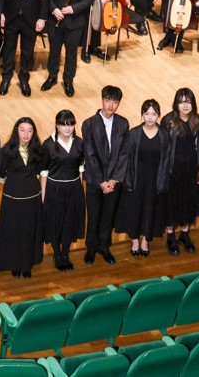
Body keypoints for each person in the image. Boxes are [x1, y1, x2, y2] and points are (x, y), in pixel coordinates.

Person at [0, 116, 43, 279]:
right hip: (12, 199)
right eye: (22, 130)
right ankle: (15, 264)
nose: (26, 134)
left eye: (29, 131)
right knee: (13, 233)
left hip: (32, 198)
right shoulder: (6, 151)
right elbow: (1, 173)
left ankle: (27, 265)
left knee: (29, 232)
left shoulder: (38, 149)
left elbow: (40, 171)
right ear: (17, 131)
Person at [83, 85, 128, 265]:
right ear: (102, 100)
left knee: (108, 215)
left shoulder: (123, 123)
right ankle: (91, 247)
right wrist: (102, 181)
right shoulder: (89, 124)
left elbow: (124, 153)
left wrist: (114, 180)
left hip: (113, 180)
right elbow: (90, 155)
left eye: (115, 102)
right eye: (108, 100)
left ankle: (104, 246)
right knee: (94, 214)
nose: (111, 105)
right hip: (95, 180)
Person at [118, 99, 168, 257]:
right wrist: (127, 180)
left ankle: (146, 240)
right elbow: (126, 158)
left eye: (154, 114)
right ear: (142, 115)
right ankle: (134, 240)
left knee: (150, 210)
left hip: (154, 179)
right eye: (147, 114)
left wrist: (163, 181)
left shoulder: (164, 135)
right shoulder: (134, 133)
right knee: (134, 211)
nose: (150, 117)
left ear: (159, 115)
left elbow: (167, 160)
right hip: (136, 179)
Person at [40, 110, 86, 270]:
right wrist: (44, 194)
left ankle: (65, 253)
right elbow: (44, 171)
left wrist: (80, 189)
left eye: (71, 124)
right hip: (55, 189)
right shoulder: (48, 145)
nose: (67, 128)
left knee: (69, 222)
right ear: (57, 125)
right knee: (55, 222)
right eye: (64, 124)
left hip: (73, 188)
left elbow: (80, 168)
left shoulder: (79, 143)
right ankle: (57, 254)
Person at [160, 89, 199, 254]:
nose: (185, 105)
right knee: (172, 203)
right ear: (176, 104)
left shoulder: (198, 121)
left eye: (188, 102)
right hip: (173, 170)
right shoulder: (168, 121)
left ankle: (185, 234)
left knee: (189, 202)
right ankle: (171, 236)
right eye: (181, 102)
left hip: (191, 169)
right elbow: (163, 148)